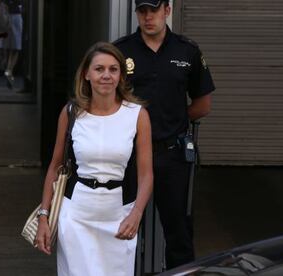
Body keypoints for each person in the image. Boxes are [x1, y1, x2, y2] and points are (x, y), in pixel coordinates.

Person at [35, 42, 153, 276]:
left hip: (119, 216)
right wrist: (44, 217)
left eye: (113, 69)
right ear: (86, 74)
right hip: (77, 215)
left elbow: (146, 174)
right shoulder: (71, 113)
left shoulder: (137, 115)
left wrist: (136, 214)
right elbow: (55, 167)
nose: (106, 75)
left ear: (121, 76)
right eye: (99, 69)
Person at [114, 0, 215, 269]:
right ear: (136, 12)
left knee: (178, 232)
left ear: (167, 11)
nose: (148, 17)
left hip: (171, 155)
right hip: (129, 157)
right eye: (142, 11)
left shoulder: (187, 51)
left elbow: (202, 105)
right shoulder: (120, 51)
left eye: (154, 10)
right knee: (122, 226)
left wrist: (175, 121)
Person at [0, 0, 22, 89]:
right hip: (15, 16)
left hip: (4, 16)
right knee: (15, 47)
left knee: (4, 44)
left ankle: (5, 61)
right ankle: (9, 69)